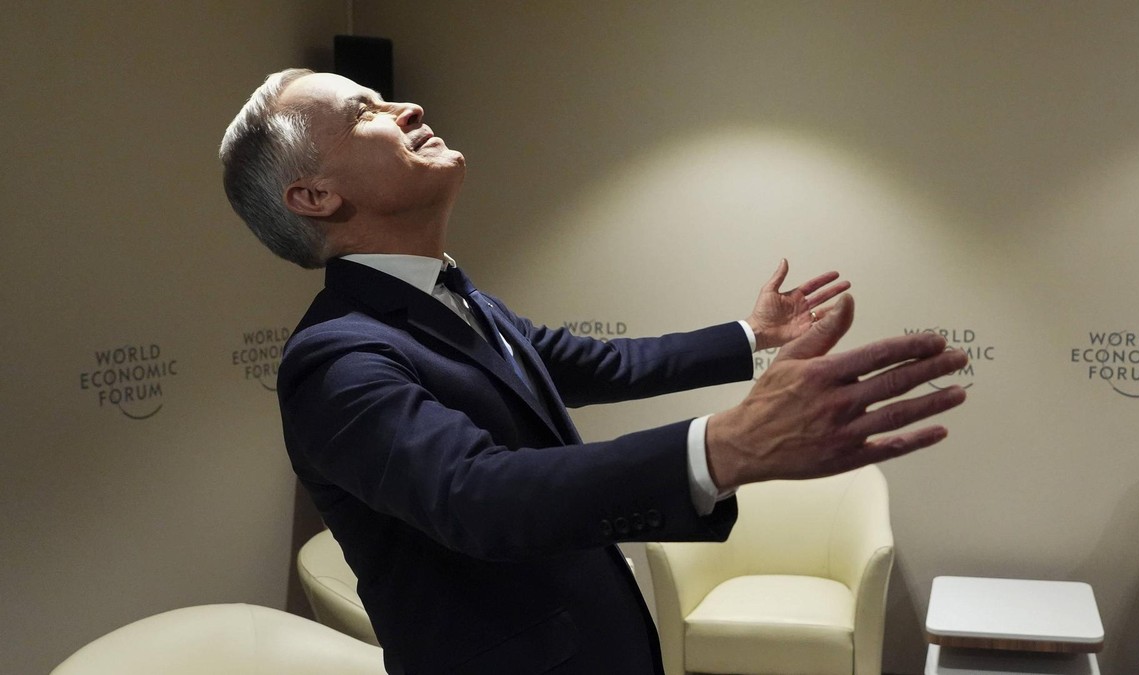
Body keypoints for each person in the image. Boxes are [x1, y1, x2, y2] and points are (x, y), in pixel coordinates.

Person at [219, 68, 967, 675]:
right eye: (364, 112)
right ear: (314, 196)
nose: (408, 107)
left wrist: (751, 337)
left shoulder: (454, 295)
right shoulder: (335, 359)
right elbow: (479, 494)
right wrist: (724, 446)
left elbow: (599, 362)